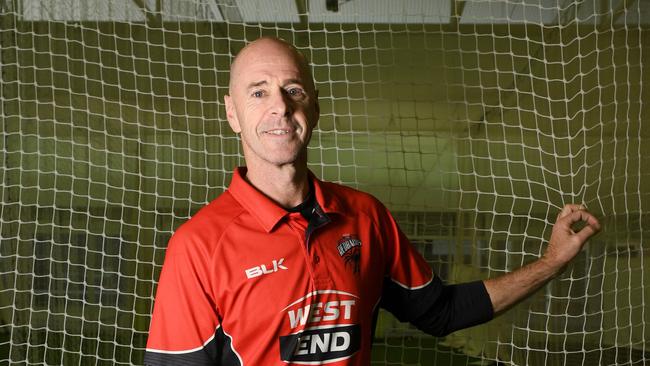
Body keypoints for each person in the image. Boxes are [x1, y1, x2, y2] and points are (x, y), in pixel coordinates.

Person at [143, 37, 601, 365]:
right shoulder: (197, 246)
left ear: (314, 107)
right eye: (258, 92)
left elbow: (441, 312)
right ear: (232, 114)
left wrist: (552, 261)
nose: (279, 107)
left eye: (293, 90)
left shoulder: (366, 218)